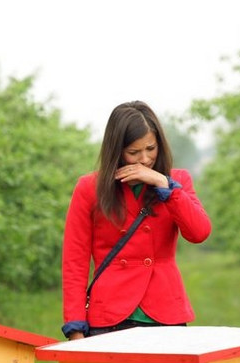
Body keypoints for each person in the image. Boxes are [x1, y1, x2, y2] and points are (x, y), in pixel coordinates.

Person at [61, 100, 211, 340]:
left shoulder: (177, 181)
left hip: (165, 312)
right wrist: (75, 327)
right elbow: (74, 262)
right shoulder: (90, 188)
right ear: (117, 151)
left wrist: (165, 186)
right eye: (134, 152)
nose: (144, 159)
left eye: (151, 148)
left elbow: (199, 232)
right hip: (110, 313)